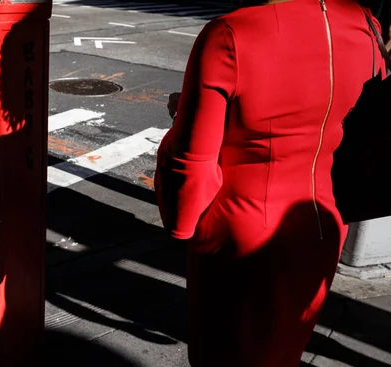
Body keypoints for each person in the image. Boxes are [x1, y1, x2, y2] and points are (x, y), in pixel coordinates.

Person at [155, 0, 386, 366]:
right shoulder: (365, 25)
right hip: (324, 226)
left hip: (242, 235)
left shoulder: (230, 35)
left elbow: (189, 163)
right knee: (285, 350)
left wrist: (182, 225)